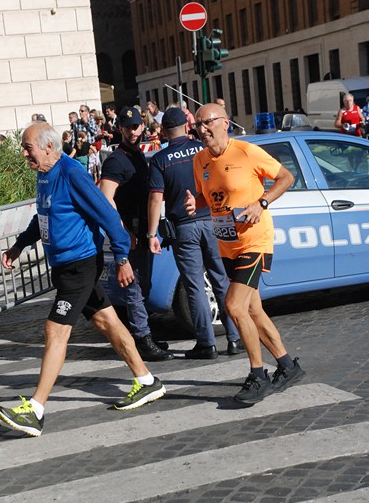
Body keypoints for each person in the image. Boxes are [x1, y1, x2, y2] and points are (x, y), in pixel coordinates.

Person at [0, 122, 167, 437]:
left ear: (48, 146)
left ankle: (35, 409)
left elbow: (106, 213)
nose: (23, 153)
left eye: (27, 147)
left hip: (81, 264)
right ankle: (147, 381)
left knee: (55, 330)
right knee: (107, 322)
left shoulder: (71, 172)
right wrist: (20, 244)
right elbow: (43, 216)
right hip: (64, 266)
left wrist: (123, 256)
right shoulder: (45, 174)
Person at [184, 103, 305, 405]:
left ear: (224, 123)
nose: (201, 129)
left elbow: (286, 178)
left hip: (255, 241)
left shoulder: (246, 152)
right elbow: (211, 198)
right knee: (253, 310)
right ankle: (288, 366)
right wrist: (194, 203)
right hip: (227, 243)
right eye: (197, 125)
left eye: (206, 123)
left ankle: (257, 374)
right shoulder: (199, 161)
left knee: (234, 306)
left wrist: (261, 203)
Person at [148, 107, 243, 359]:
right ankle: (234, 338)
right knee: (221, 279)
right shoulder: (202, 150)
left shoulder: (159, 159)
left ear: (163, 131)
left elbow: (156, 200)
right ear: (187, 126)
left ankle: (207, 343)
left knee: (195, 286)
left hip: (184, 227)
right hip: (213, 220)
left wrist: (151, 234)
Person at [100, 107, 173, 362]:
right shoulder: (116, 160)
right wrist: (122, 231)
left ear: (142, 127)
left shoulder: (137, 156)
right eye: (128, 127)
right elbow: (105, 197)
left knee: (143, 287)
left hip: (142, 232)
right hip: (129, 234)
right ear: (119, 128)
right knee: (134, 290)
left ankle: (146, 334)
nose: (133, 131)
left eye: (136, 126)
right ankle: (142, 340)